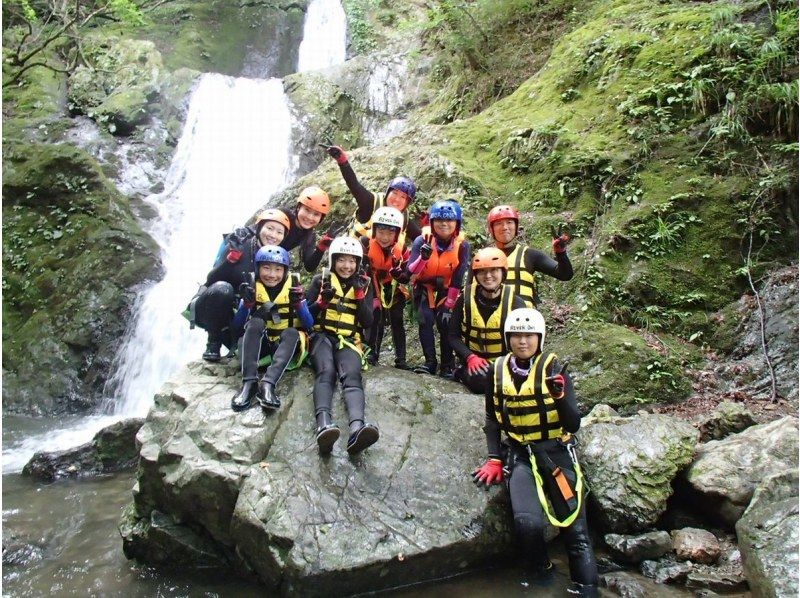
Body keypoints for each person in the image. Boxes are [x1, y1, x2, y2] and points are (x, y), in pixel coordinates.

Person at [473, 308, 598, 597]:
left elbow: (573, 423)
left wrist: (561, 396)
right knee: (527, 524)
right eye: (516, 335)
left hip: (555, 453)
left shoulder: (554, 369)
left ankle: (588, 589)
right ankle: (543, 579)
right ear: (508, 338)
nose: (523, 341)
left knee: (576, 532)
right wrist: (494, 457)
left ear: (539, 338)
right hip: (520, 454)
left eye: (529, 335)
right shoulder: (497, 369)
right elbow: (493, 420)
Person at [307, 236, 380, 455]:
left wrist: (359, 297)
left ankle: (357, 429)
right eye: (342, 260)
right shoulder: (320, 281)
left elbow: (368, 322)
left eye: (352, 261)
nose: (346, 266)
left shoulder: (363, 285)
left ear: (358, 264)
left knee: (352, 376)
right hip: (321, 336)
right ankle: (324, 425)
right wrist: (321, 303)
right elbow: (306, 318)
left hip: (348, 339)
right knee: (326, 371)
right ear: (333, 261)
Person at [192, 209, 292, 362]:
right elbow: (211, 280)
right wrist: (230, 261)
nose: (273, 235)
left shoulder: (277, 256)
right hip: (213, 305)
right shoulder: (239, 244)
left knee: (263, 354)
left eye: (279, 232)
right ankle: (213, 343)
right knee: (223, 290)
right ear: (258, 228)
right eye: (269, 228)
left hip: (242, 313)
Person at [231, 245, 313, 411]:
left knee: (292, 333)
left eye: (277, 269)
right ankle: (249, 383)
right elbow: (237, 326)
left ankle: (268, 385)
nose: (272, 275)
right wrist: (246, 305)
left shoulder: (294, 287)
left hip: (284, 348)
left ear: (285, 271)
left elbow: (310, 324)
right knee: (255, 323)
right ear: (258, 268)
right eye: (266, 268)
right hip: (260, 347)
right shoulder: (251, 286)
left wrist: (299, 305)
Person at [448, 247, 527, 394]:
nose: (488, 276)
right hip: (474, 365)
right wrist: (470, 357)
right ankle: (461, 372)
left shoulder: (516, 303)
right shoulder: (464, 299)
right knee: (480, 380)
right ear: (476, 275)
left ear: (503, 272)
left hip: (505, 363)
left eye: (494, 270)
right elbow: (453, 336)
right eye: (482, 271)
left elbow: (526, 342)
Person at [406, 199, 470, 378]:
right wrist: (423, 258)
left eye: (449, 220)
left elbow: (458, 276)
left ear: (456, 224)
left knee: (446, 322)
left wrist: (449, 304)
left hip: (447, 289)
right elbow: (410, 270)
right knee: (425, 319)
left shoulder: (463, 246)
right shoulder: (422, 240)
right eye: (439, 220)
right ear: (432, 222)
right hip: (424, 286)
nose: (444, 224)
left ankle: (447, 366)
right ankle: (430, 362)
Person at [324, 144, 422, 242]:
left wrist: (430, 225)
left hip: (380, 257)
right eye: (395, 193)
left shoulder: (404, 218)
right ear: (388, 192)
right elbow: (354, 185)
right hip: (352, 254)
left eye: (403, 197)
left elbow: (422, 240)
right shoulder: (371, 202)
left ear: (407, 203)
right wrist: (343, 162)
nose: (397, 199)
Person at [486, 205, 573, 307]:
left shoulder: (530, 255)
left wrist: (561, 252)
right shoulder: (481, 259)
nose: (505, 227)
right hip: (493, 318)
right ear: (491, 229)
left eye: (509, 222)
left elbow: (565, 274)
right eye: (498, 223)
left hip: (524, 319)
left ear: (516, 227)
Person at [358, 206, 411, 369]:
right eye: (381, 232)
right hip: (371, 285)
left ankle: (401, 359)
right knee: (375, 318)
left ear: (397, 233)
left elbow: (407, 275)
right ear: (374, 231)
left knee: (397, 319)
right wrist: (373, 296)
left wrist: (399, 275)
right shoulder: (365, 244)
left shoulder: (402, 249)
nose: (385, 237)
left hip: (393, 287)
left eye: (390, 233)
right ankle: (372, 353)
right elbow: (362, 270)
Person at [278, 185, 336, 273]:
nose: (309, 217)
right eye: (307, 210)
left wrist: (321, 249)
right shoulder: (282, 215)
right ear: (298, 207)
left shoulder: (310, 236)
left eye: (316, 214)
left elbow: (309, 266)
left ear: (321, 218)